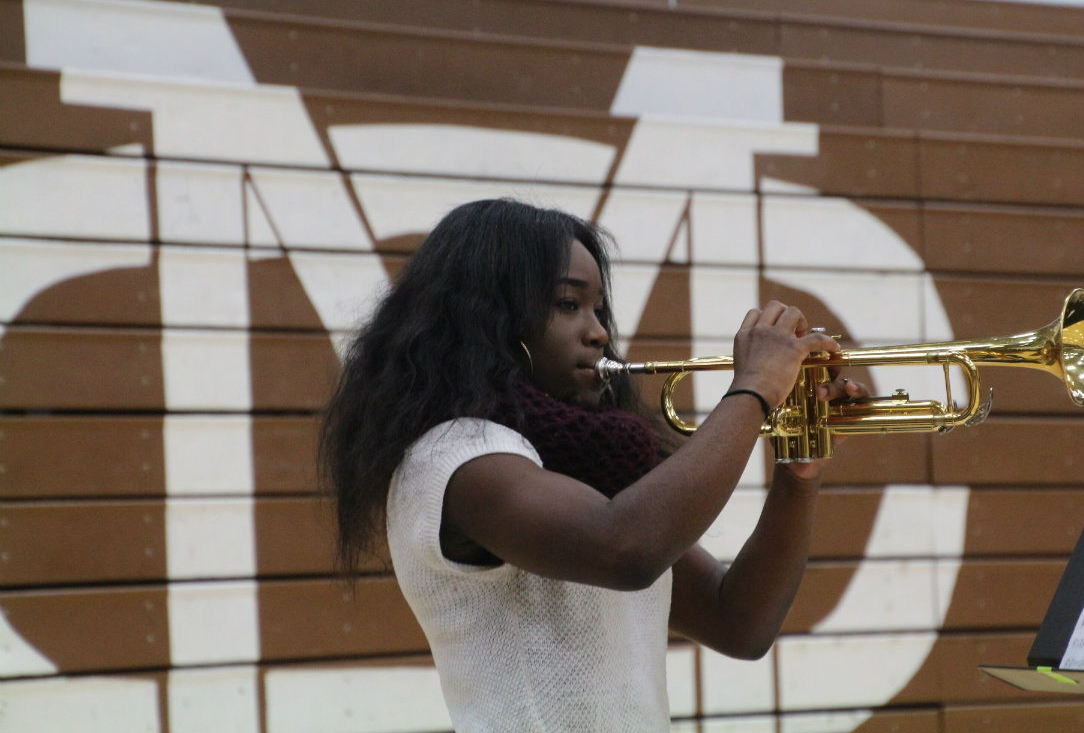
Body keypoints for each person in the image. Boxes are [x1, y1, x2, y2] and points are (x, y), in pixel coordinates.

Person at [319, 198, 866, 732]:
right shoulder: (457, 458)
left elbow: (739, 623)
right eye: (566, 304)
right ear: (490, 319)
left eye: (599, 308)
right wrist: (754, 389)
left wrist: (798, 469)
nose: (598, 330)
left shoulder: (584, 466)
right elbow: (625, 551)